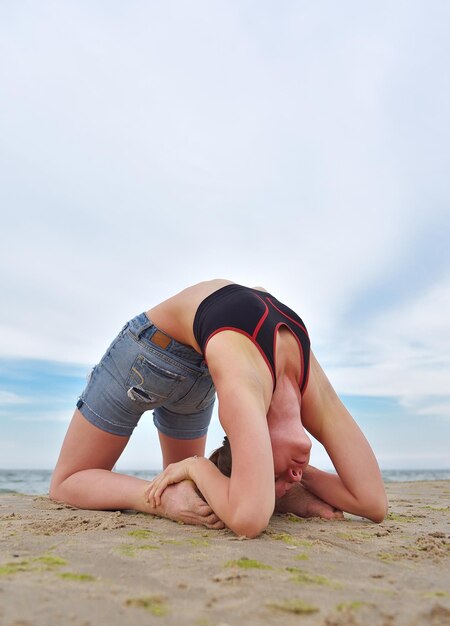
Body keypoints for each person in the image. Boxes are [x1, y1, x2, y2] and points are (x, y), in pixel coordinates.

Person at [50, 279, 387, 537]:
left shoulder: (263, 384)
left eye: (275, 477)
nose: (295, 474)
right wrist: (196, 466)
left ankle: (197, 495)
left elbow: (373, 504)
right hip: (153, 350)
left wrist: (297, 480)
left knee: (191, 493)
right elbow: (249, 521)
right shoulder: (266, 385)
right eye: (283, 476)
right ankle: (154, 498)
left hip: (198, 354)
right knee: (66, 482)